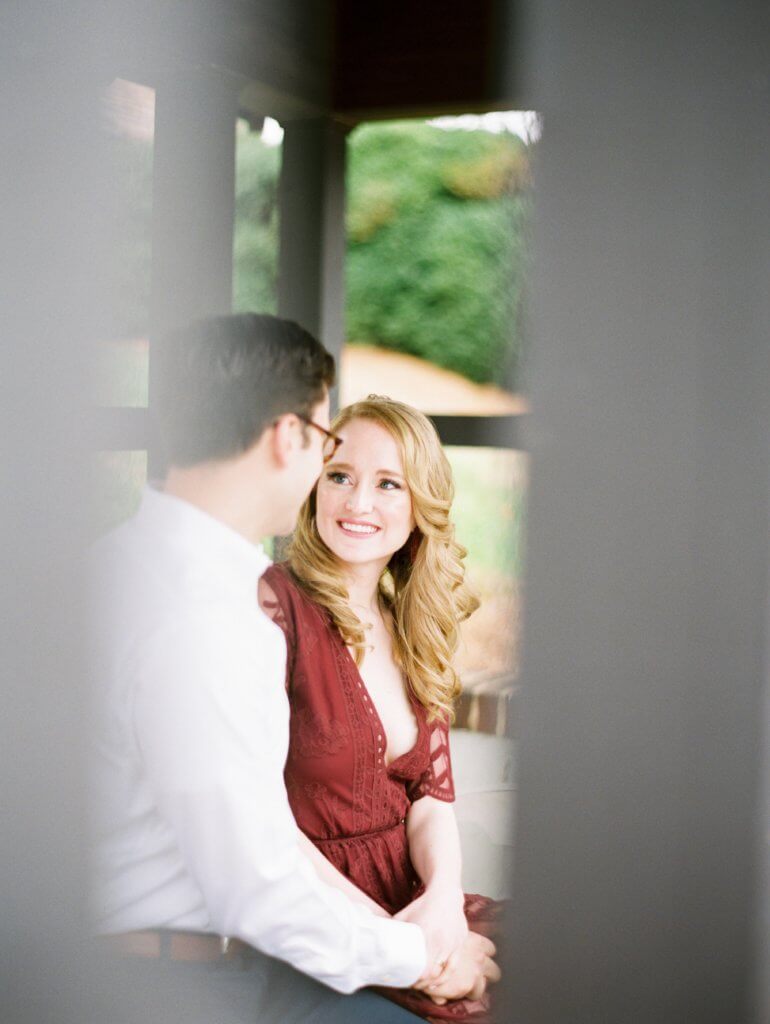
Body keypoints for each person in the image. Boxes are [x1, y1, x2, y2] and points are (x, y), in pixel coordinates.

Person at [89, 315, 496, 1024]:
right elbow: (263, 879)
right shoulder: (218, 615)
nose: (351, 494)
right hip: (190, 982)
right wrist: (425, 956)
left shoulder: (122, 567)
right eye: (330, 452)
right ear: (290, 438)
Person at [259, 395, 503, 1022]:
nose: (357, 502)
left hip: (415, 906)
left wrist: (445, 906)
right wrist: (412, 951)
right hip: (329, 928)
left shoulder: (409, 624)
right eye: (340, 476)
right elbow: (261, 824)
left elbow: (430, 798)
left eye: (388, 484)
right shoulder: (274, 606)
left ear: (420, 506)